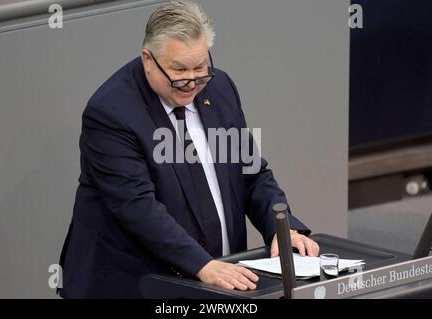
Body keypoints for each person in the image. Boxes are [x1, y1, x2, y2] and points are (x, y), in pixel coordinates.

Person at [58, 0, 319, 299]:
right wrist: (202, 264)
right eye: (179, 69)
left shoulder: (219, 88)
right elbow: (137, 207)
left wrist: (281, 231)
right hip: (134, 284)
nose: (191, 82)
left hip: (216, 280)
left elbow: (251, 172)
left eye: (200, 67)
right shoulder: (111, 113)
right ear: (148, 59)